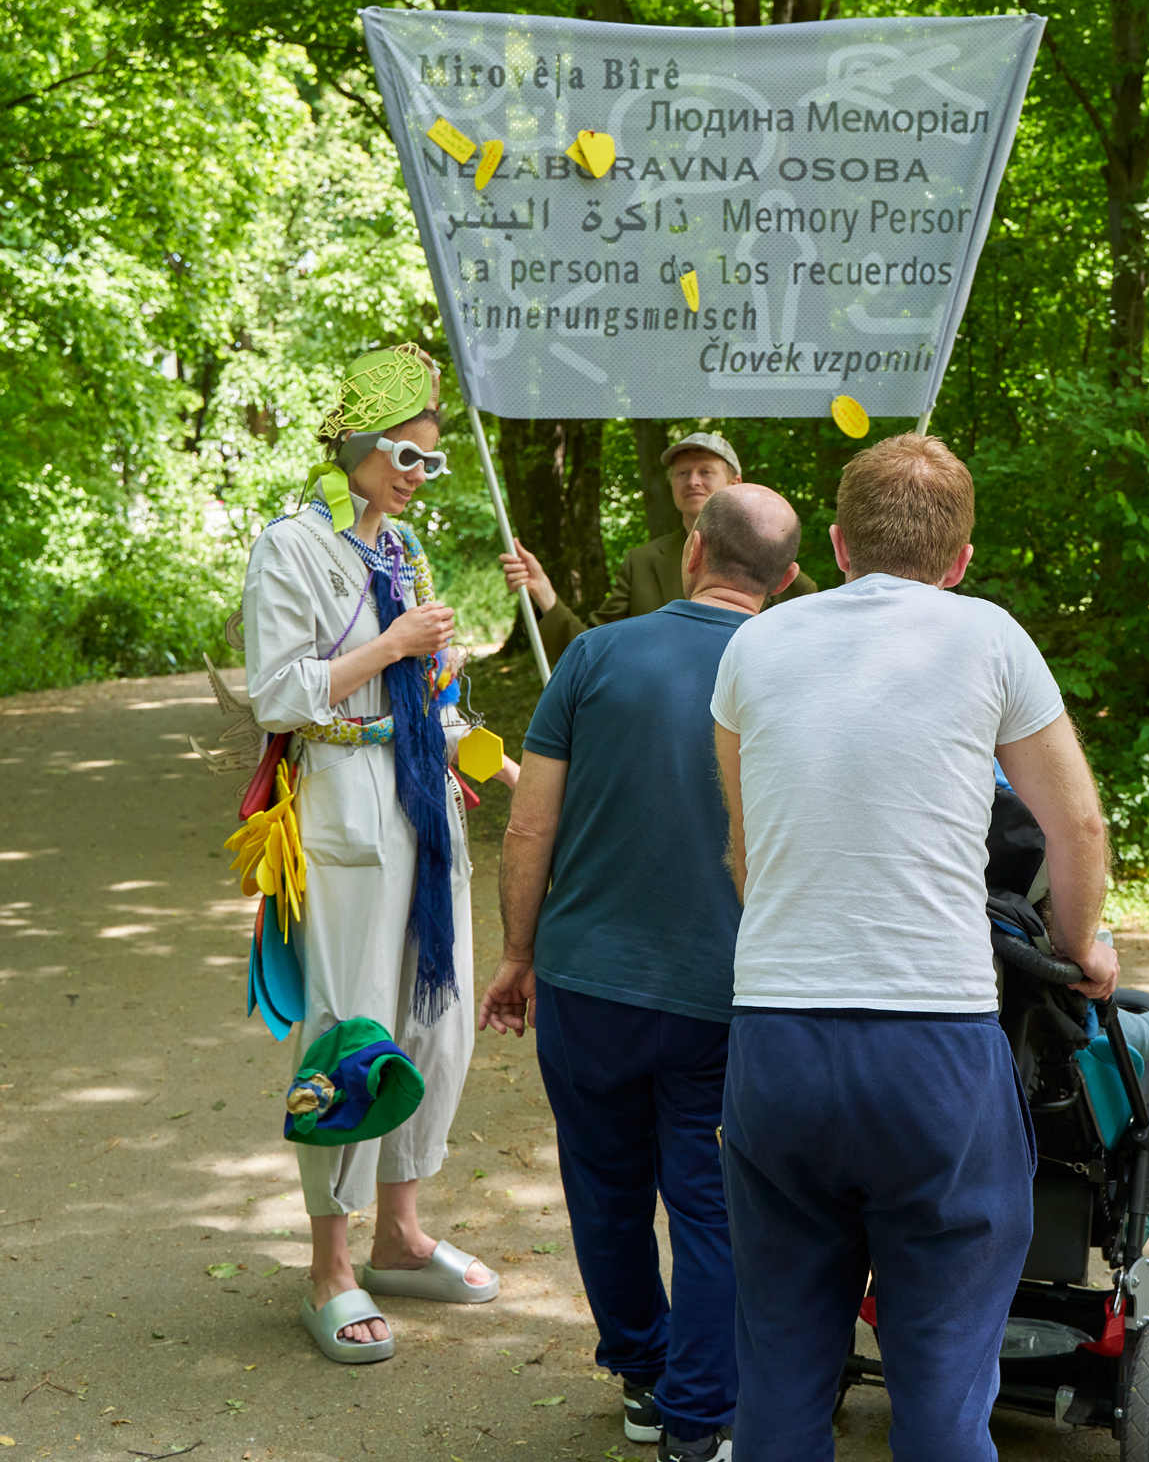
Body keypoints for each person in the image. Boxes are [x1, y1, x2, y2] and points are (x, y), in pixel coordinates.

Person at [710, 433, 1119, 1462]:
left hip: (778, 1038)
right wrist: (1082, 949)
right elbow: (1076, 828)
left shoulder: (754, 645)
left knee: (780, 1376)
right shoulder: (990, 638)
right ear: (961, 559)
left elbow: (745, 848)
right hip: (933, 1046)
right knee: (940, 1394)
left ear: (838, 545)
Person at [477, 484, 803, 1462]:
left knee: (605, 1191)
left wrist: (518, 955)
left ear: (694, 550)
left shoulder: (594, 654)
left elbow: (528, 825)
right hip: (725, 992)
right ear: (788, 579)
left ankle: (643, 1377)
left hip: (588, 982)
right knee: (713, 1206)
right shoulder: (793, 669)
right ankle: (698, 1423)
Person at [241, 343, 514, 1365]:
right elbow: (279, 695)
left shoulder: (401, 550)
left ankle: (399, 1234)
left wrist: (492, 754)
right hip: (345, 803)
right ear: (354, 444)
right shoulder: (290, 547)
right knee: (351, 1025)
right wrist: (394, 647)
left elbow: (427, 699)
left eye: (431, 460)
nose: (417, 474)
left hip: (423, 800)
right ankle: (331, 1264)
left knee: (436, 1020)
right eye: (405, 454)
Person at [500, 431, 817, 664]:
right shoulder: (641, 563)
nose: (692, 481)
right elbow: (589, 652)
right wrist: (544, 594)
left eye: (706, 471)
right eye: (682, 473)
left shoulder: (780, 570)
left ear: (735, 483)